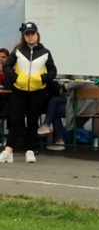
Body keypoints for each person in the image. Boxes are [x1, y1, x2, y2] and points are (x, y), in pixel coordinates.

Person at [0, 22, 58, 163]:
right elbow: (7, 65)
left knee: (33, 121)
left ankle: (30, 151)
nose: (30, 36)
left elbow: (53, 71)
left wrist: (43, 78)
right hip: (18, 90)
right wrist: (14, 77)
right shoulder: (18, 50)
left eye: (32, 33)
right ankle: (9, 150)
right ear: (24, 36)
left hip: (37, 91)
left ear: (37, 34)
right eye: (27, 34)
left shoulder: (45, 52)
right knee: (15, 121)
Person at [37, 79, 68, 150]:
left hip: (73, 103)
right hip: (69, 102)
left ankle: (45, 125)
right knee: (54, 110)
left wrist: (65, 87)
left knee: (53, 101)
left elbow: (74, 85)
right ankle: (60, 141)